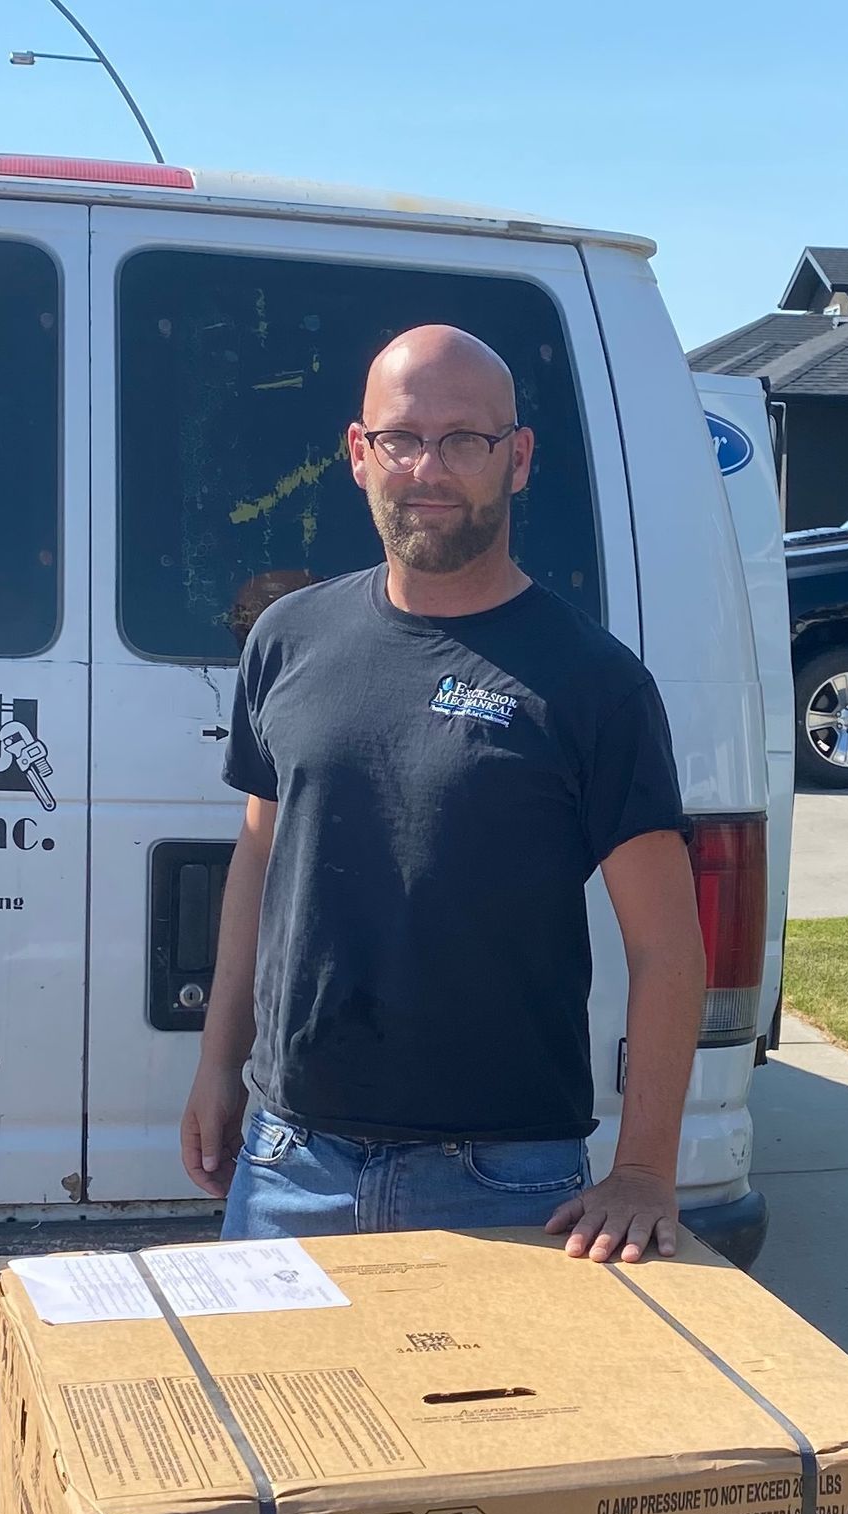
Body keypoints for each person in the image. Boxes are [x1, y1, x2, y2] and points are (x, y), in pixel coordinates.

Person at [180, 323, 707, 1264]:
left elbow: (666, 947)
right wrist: (220, 1064)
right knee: (286, 1416)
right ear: (358, 453)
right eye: (402, 438)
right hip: (291, 1161)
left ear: (519, 459)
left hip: (509, 1184)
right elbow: (258, 863)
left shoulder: (593, 683)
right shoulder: (287, 642)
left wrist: (644, 1171)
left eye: (466, 439)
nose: (430, 467)